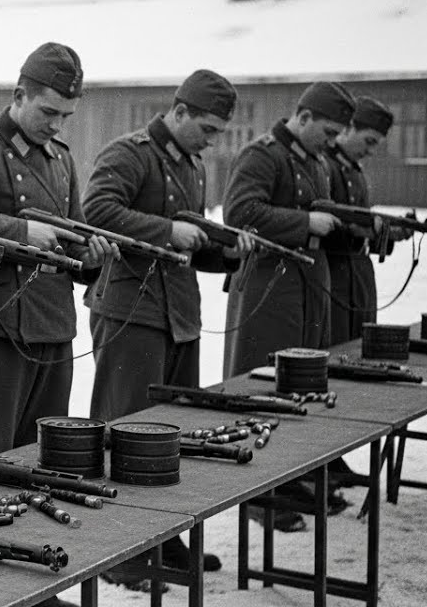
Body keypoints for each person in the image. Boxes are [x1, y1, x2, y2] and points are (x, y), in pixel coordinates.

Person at [82, 69, 253, 582]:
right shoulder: (129, 154)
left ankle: (163, 539)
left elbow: (186, 247)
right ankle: (119, 553)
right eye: (207, 129)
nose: (212, 141)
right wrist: (167, 229)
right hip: (130, 310)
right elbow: (96, 212)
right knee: (126, 433)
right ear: (179, 113)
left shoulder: (192, 166)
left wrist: (226, 252)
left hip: (178, 314)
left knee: (169, 436)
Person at [0, 42, 117, 460]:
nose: (56, 125)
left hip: (52, 326)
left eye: (65, 116)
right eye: (48, 112)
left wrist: (89, 259)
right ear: (19, 96)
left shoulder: (61, 160)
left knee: (42, 455)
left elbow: (72, 233)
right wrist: (21, 232)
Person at [222, 81, 353, 378]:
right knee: (263, 376)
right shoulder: (262, 154)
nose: (332, 142)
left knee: (305, 376)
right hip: (270, 285)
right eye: (329, 132)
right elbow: (240, 213)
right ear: (304, 117)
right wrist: (306, 222)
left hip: (312, 283)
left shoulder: (317, 162)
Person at [323, 96, 410, 345]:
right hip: (332, 278)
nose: (370, 151)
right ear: (348, 128)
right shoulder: (324, 166)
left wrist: (390, 233)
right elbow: (326, 225)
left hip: (358, 280)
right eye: (368, 141)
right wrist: (368, 229)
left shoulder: (356, 173)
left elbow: (364, 227)